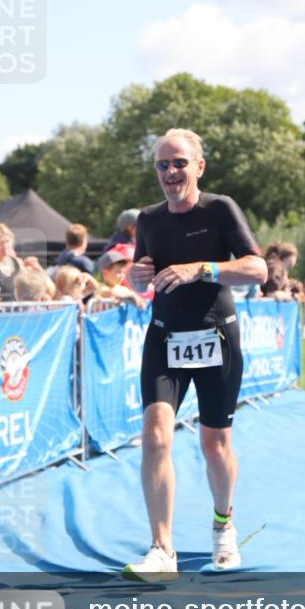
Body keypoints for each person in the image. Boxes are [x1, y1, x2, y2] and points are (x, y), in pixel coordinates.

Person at [124, 128, 266, 581]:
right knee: (155, 437)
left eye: (179, 163)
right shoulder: (148, 220)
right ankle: (162, 549)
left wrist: (201, 269)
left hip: (216, 338)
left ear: (199, 167)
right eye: (162, 165)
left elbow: (258, 269)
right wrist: (134, 277)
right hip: (164, 338)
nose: (170, 172)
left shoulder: (220, 209)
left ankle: (223, 524)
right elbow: (142, 275)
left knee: (215, 445)